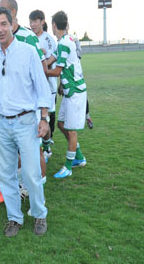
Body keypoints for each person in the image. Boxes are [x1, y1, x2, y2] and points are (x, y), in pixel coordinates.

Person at [0, 7, 50, 237]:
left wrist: (44, 118)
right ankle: (14, 218)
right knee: (5, 175)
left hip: (26, 122)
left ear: (12, 24)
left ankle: (39, 214)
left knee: (31, 174)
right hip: (3, 124)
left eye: (3, 24)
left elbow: (42, 88)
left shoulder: (28, 52)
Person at [46, 11, 87, 178]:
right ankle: (78, 156)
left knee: (71, 130)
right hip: (69, 92)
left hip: (76, 92)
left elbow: (55, 71)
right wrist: (40, 60)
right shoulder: (64, 41)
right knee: (62, 124)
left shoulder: (64, 42)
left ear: (54, 25)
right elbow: (53, 58)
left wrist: (42, 70)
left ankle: (69, 166)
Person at [29, 10, 57, 162]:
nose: (32, 24)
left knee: (45, 117)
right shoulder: (29, 37)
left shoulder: (48, 38)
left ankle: (46, 147)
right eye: (31, 21)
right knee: (37, 117)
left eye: (35, 21)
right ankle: (43, 146)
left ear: (42, 22)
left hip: (48, 85)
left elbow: (53, 57)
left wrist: (42, 60)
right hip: (33, 87)